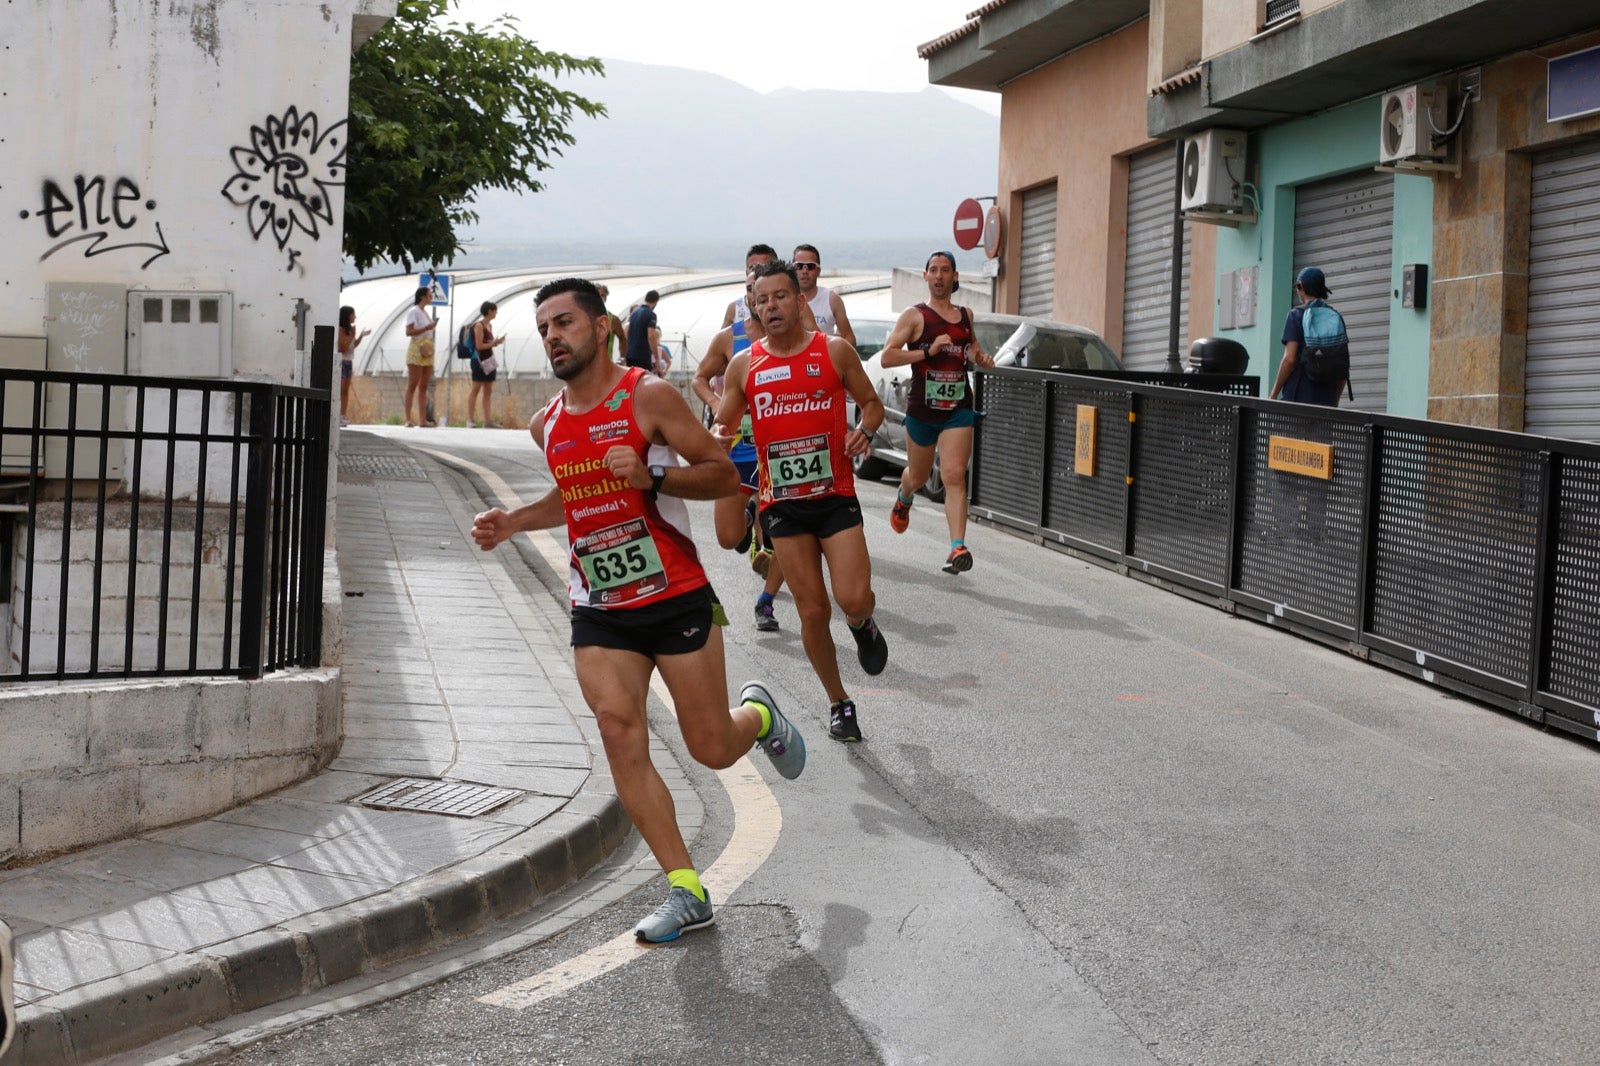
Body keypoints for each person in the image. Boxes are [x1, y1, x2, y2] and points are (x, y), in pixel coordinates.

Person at [472, 277, 805, 943]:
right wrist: (515, 521)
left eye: (563, 322)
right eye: (543, 329)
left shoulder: (645, 396)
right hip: (599, 604)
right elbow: (572, 495)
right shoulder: (549, 424)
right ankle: (685, 889)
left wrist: (652, 477)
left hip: (674, 595)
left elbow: (720, 474)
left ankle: (759, 713)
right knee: (619, 731)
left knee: (710, 746)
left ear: (601, 328)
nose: (552, 337)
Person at [715, 261, 888, 743]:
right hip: (782, 505)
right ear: (754, 306)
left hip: (834, 496)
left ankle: (863, 623)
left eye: (780, 296)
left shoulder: (834, 352)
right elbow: (722, 431)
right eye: (761, 299)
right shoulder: (744, 365)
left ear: (800, 301)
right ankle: (840, 703)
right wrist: (708, 458)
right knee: (812, 611)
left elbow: (871, 403)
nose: (770, 306)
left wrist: (864, 431)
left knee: (852, 598)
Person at [880, 251, 995, 574]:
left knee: (954, 475)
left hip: (957, 409)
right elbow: (888, 357)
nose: (940, 276)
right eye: (934, 270)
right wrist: (926, 352)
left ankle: (957, 547)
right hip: (922, 411)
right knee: (916, 477)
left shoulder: (966, 315)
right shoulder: (915, 316)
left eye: (946, 270)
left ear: (955, 277)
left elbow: (970, 349)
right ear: (926, 277)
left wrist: (981, 357)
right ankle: (904, 497)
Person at [694, 277, 786, 633]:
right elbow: (700, 377)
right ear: (749, 296)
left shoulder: (796, 339)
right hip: (739, 451)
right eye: (754, 290)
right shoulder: (730, 338)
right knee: (727, 537)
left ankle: (766, 601)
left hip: (781, 454)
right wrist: (719, 405)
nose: (762, 299)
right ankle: (750, 517)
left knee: (784, 534)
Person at [1270, 266, 1347, 406]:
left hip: (1297, 401)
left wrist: (1274, 394)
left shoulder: (1295, 315)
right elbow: (1342, 365)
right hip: (1326, 403)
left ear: (1301, 286)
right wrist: (1334, 402)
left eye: (1297, 287)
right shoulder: (1336, 317)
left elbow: (1290, 359)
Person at [792, 243, 856, 348]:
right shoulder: (784, 301)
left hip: (822, 360)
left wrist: (834, 343)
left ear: (818, 271)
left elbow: (850, 339)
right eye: (799, 266)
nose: (805, 271)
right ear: (792, 270)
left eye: (810, 266)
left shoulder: (832, 299)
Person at [403, 286, 438, 427]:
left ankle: (423, 419)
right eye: (429, 296)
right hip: (417, 348)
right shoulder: (414, 311)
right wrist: (426, 328)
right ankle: (408, 419)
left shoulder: (425, 313)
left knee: (424, 385)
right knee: (412, 384)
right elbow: (408, 331)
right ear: (422, 297)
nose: (431, 298)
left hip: (427, 348)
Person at [468, 300, 504, 428]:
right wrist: (495, 343)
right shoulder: (479, 326)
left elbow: (487, 343)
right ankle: (471, 420)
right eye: (495, 311)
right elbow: (479, 345)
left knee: (488, 390)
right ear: (489, 311)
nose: (496, 313)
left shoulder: (490, 326)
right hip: (479, 360)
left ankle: (488, 420)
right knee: (476, 389)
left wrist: (495, 342)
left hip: (489, 360)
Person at [337, 305, 370, 428]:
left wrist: (360, 336)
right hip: (342, 361)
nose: (354, 317)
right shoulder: (340, 329)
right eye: (353, 314)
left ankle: (343, 414)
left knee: (346, 390)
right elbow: (342, 347)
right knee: (341, 389)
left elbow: (352, 346)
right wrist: (351, 335)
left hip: (349, 360)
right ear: (347, 316)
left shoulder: (350, 329)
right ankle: (338, 414)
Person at [625, 290, 660, 372]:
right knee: (643, 382)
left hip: (630, 354)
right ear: (656, 302)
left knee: (632, 381)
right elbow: (651, 336)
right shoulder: (651, 314)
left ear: (645, 298)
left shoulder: (634, 312)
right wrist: (656, 357)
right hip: (642, 356)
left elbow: (627, 332)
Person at [597, 284, 626, 365]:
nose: (600, 298)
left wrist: (622, 358)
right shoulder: (586, 318)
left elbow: (623, 338)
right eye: (598, 295)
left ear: (606, 298)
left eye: (603, 295)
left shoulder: (613, 319)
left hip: (606, 366)